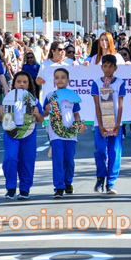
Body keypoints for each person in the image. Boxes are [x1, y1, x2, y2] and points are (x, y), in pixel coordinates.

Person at [1, 71, 44, 200]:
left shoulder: (34, 100)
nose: (21, 84)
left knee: (27, 161)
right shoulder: (8, 98)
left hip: (28, 133)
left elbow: (41, 119)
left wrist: (37, 114)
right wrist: (0, 113)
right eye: (18, 81)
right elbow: (0, 118)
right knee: (10, 158)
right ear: (14, 83)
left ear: (29, 85)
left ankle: (25, 189)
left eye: (25, 82)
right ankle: (11, 188)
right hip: (10, 132)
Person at [43, 67, 84, 198]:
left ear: (68, 80)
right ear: (54, 80)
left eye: (62, 77)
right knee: (58, 160)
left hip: (70, 133)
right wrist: (46, 109)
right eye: (57, 77)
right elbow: (44, 113)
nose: (59, 80)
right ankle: (59, 187)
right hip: (55, 133)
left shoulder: (72, 96)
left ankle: (68, 182)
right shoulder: (50, 96)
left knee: (69, 160)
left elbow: (76, 114)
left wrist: (77, 126)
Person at [91, 55, 125, 194]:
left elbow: (121, 105)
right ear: (101, 67)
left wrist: (118, 124)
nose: (108, 69)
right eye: (105, 66)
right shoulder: (96, 83)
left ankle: (111, 182)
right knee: (100, 150)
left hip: (116, 123)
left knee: (114, 152)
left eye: (111, 66)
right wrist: (100, 124)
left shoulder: (120, 83)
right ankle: (100, 177)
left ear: (115, 68)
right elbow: (97, 106)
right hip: (100, 124)